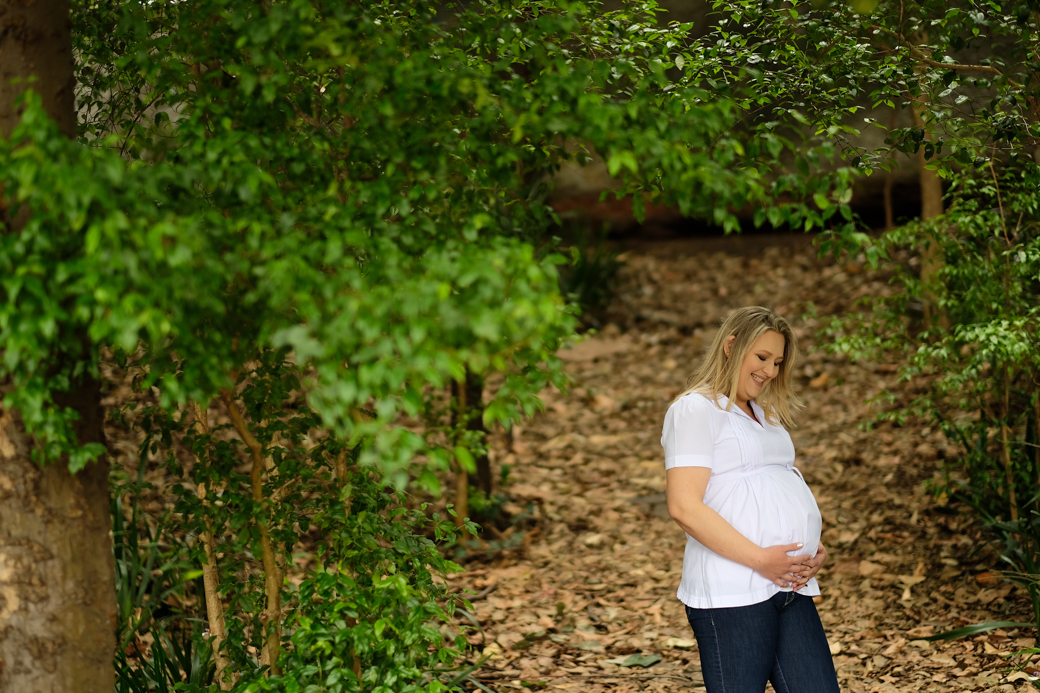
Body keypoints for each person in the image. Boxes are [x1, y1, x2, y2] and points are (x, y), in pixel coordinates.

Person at [661, 306, 838, 693]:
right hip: (734, 591)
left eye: (777, 362)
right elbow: (684, 506)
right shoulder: (694, 409)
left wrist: (812, 545)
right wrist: (763, 559)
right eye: (762, 357)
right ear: (731, 346)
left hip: (788, 585)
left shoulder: (763, 414)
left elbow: (771, 485)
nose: (771, 371)